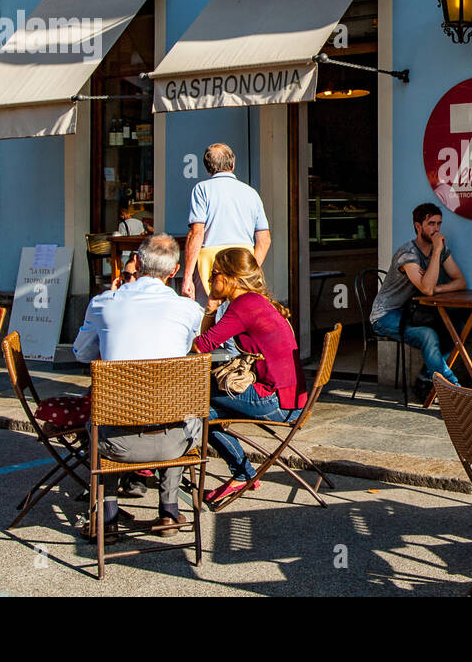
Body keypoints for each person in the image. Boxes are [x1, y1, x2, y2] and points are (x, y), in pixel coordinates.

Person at [73, 234, 205, 539]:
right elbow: (187, 350)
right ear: (173, 273)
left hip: (114, 443)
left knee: (101, 415)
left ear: (138, 264)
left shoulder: (103, 303)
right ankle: (169, 512)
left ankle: (108, 517)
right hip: (175, 443)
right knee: (182, 410)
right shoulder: (189, 310)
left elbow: (80, 353)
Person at [191, 247, 304, 507]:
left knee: (198, 402)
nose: (209, 280)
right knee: (206, 409)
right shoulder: (254, 301)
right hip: (292, 399)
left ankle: (242, 473)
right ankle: (242, 474)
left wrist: (210, 307)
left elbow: (201, 345)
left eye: (214, 274)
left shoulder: (243, 306)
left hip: (276, 402)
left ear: (230, 277)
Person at [370, 203, 466, 400]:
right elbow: (426, 289)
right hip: (385, 315)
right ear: (418, 226)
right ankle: (452, 389)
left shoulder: (440, 248)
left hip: (411, 311)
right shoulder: (408, 254)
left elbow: (460, 281)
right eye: (431, 224)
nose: (436, 229)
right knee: (428, 335)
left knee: (456, 328)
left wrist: (439, 287)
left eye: (439, 223)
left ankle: (425, 379)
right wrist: (437, 252)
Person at [180, 143, 271, 302]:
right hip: (243, 259)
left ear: (207, 168)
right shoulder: (251, 193)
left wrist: (187, 277)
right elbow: (264, 239)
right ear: (233, 164)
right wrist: (251, 270)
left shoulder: (202, 189)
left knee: (208, 316)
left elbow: (196, 233)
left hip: (211, 263)